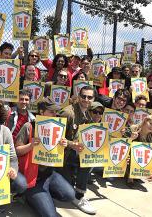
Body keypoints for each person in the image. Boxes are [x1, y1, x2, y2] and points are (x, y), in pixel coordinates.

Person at [15, 97, 75, 217]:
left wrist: (64, 144)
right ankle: (29, 196)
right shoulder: (29, 126)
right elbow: (17, 151)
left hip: (50, 174)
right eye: (51, 111)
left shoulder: (58, 126)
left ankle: (44, 196)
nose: (55, 114)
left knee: (70, 195)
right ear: (41, 112)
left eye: (56, 112)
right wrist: (31, 145)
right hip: (33, 178)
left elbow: (60, 148)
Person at [58, 85, 97, 214]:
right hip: (63, 155)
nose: (86, 99)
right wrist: (71, 144)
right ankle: (76, 193)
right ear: (79, 97)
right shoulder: (68, 113)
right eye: (83, 96)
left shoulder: (89, 113)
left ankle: (79, 194)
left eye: (89, 97)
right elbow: (55, 137)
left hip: (75, 153)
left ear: (93, 99)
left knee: (90, 157)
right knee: (66, 193)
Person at [126, 114, 152, 185]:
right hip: (126, 162)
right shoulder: (132, 129)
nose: (151, 127)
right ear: (145, 120)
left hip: (138, 166)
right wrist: (130, 139)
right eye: (151, 123)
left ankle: (134, 175)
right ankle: (129, 175)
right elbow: (121, 146)